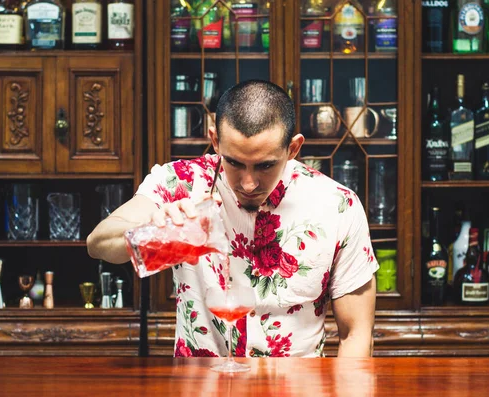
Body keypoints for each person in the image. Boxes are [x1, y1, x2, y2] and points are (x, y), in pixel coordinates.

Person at [87, 80, 378, 358]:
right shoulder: (181, 184)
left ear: (293, 149)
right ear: (214, 140)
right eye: (235, 163)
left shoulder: (338, 205)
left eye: (265, 165)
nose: (248, 183)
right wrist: (152, 224)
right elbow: (98, 243)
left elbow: (356, 334)